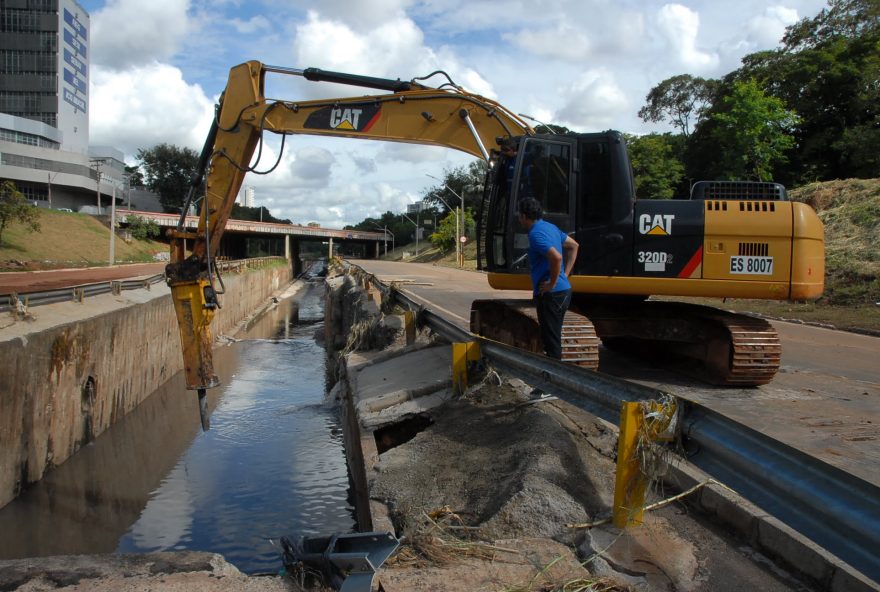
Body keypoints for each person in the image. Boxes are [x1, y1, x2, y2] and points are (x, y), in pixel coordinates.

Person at [516, 197, 579, 359]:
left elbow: (556, 257)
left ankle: (553, 380)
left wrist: (552, 283)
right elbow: (574, 245)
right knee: (553, 337)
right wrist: (565, 275)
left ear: (524, 216)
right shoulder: (550, 227)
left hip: (551, 295)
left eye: (519, 216)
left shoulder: (536, 234)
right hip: (563, 291)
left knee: (551, 342)